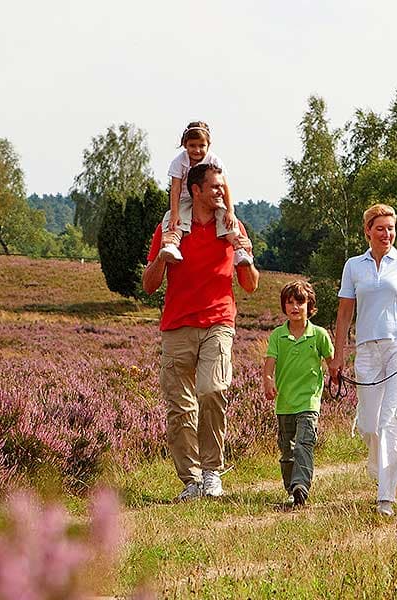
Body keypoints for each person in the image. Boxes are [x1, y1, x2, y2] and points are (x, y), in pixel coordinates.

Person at [142, 162, 259, 501]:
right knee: (180, 409)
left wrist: (244, 255)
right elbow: (149, 285)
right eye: (215, 188)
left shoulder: (232, 227)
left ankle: (211, 472)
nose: (221, 193)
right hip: (177, 326)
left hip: (219, 323)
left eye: (222, 187)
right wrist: (163, 256)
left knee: (212, 390)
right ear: (196, 190)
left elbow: (250, 285)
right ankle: (190, 481)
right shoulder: (172, 226)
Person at [328, 203, 397, 517]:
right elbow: (344, 313)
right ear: (368, 231)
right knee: (371, 423)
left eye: (391, 228)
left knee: (391, 419)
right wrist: (338, 355)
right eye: (380, 228)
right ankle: (385, 462)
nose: (387, 234)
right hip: (367, 350)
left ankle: (386, 496)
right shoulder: (353, 266)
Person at [263, 281, 334, 507]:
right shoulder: (277, 335)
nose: (295, 307)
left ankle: (301, 486)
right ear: (284, 306)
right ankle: (291, 489)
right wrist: (267, 380)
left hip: (309, 401)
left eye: (300, 302)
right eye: (290, 302)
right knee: (287, 451)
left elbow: (332, 362)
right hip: (284, 403)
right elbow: (269, 363)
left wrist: (337, 372)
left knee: (304, 444)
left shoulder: (319, 335)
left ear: (309, 305)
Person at [158, 121, 252, 268]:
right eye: (192, 145)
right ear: (185, 145)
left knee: (226, 219)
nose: (197, 150)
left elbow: (225, 187)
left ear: (208, 145)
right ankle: (171, 245)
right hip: (185, 198)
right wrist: (175, 213)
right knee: (174, 220)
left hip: (210, 199)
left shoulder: (214, 161)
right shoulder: (179, 162)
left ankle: (239, 249)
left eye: (202, 146)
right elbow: (175, 189)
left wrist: (230, 211)